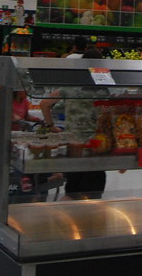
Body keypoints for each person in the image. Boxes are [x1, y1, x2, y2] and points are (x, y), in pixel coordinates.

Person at [40, 48, 106, 200]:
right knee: (92, 196)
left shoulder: (70, 86)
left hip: (73, 148)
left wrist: (50, 126)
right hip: (95, 149)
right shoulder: (103, 89)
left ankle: (69, 221)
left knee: (72, 191)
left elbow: (44, 104)